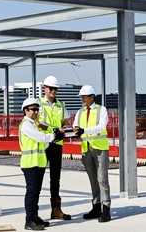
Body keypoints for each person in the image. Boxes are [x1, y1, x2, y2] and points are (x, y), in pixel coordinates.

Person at [20, 97, 65, 231]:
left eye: (37, 109)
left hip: (38, 163)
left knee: (36, 192)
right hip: (30, 164)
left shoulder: (34, 124)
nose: (35, 112)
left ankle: (35, 217)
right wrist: (54, 137)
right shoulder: (26, 124)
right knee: (32, 192)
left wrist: (51, 139)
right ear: (25, 111)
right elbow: (39, 137)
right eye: (32, 109)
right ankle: (29, 220)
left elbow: (43, 143)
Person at [73, 85, 111, 223]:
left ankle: (106, 208)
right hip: (86, 149)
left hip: (100, 149)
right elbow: (76, 126)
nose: (82, 99)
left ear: (91, 97)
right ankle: (96, 207)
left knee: (102, 179)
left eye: (84, 97)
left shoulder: (102, 110)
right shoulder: (80, 112)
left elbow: (101, 127)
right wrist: (76, 131)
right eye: (81, 97)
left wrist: (84, 131)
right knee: (93, 180)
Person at [39, 75, 72, 220]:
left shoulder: (61, 105)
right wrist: (55, 130)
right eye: (50, 88)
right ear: (44, 88)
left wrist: (64, 129)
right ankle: (34, 213)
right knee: (37, 178)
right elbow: (39, 123)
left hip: (57, 145)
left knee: (55, 179)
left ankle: (56, 210)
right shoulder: (38, 104)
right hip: (43, 144)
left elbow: (64, 121)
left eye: (55, 89)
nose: (53, 91)